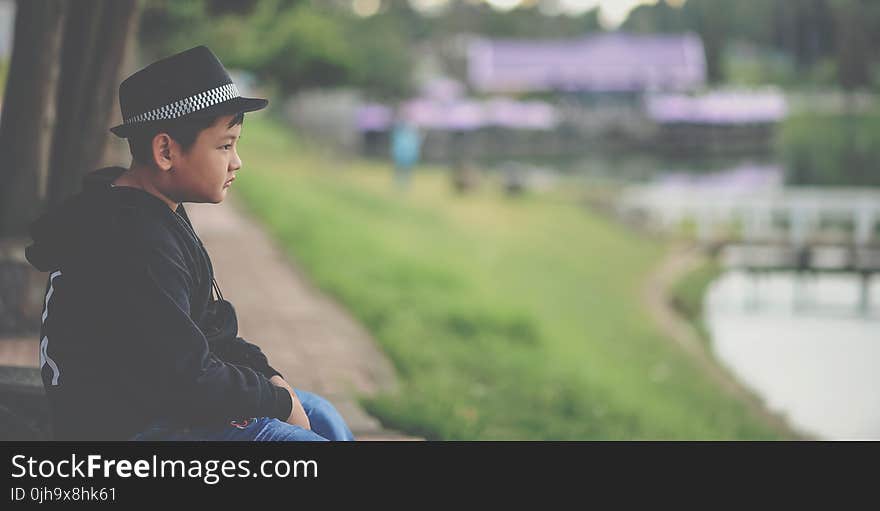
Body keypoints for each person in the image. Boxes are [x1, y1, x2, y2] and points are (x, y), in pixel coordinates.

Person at [24, 46, 354, 441]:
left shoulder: (152, 210)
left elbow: (207, 327)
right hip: (125, 429)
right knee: (290, 438)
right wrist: (276, 403)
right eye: (225, 145)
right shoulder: (134, 238)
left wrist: (270, 378)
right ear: (166, 151)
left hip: (155, 399)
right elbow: (188, 380)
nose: (237, 162)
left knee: (322, 414)